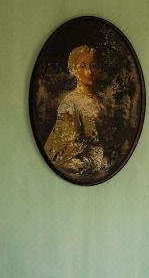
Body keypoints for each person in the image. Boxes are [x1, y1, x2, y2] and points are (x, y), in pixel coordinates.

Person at [43, 45, 109, 179]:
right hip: (83, 166)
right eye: (83, 66)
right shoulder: (70, 103)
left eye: (93, 66)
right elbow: (63, 150)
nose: (89, 72)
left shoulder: (102, 101)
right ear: (73, 70)